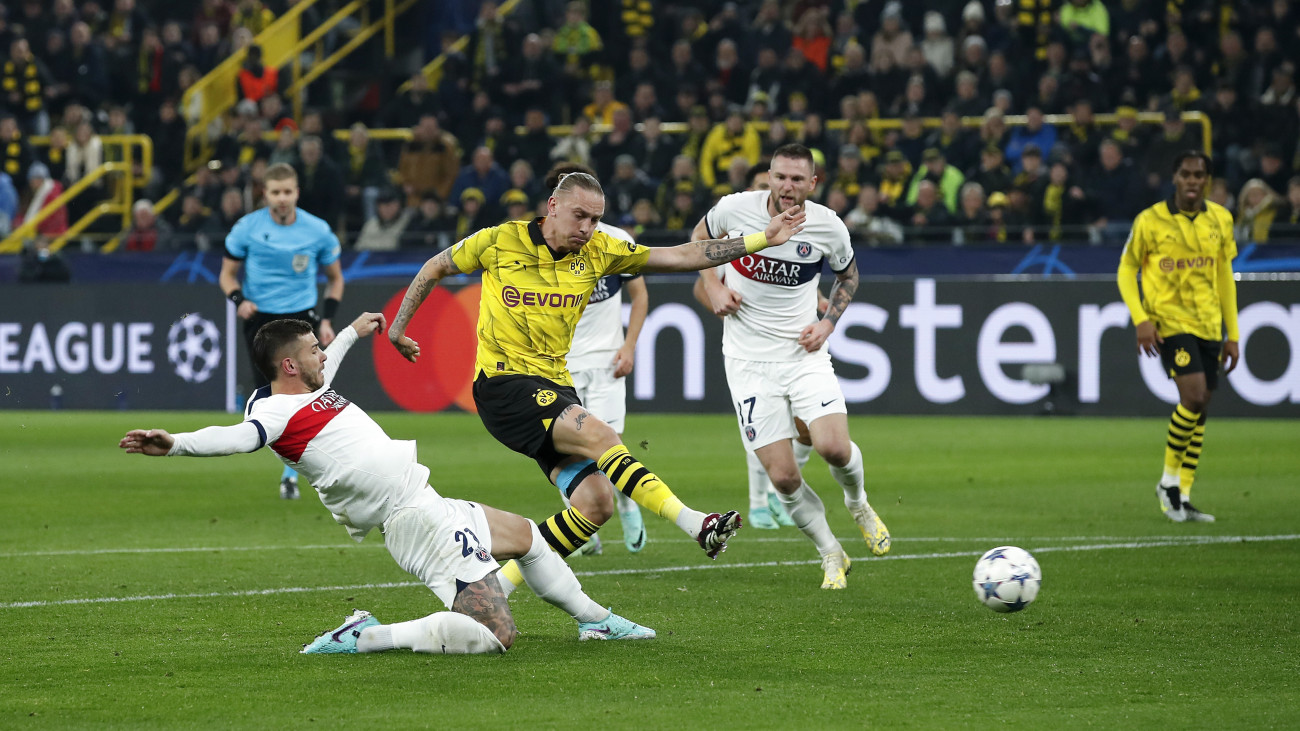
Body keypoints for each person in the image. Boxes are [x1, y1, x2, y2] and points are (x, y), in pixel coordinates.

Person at [119, 314, 654, 655]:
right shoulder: (276, 413)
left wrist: (355, 330)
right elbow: (236, 438)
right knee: (497, 636)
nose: (321, 353)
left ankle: (599, 622)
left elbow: (330, 367)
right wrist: (179, 442)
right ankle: (367, 636)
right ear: (288, 364)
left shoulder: (309, 390)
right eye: (312, 349)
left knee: (528, 538)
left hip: (426, 500)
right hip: (411, 520)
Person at [388, 170, 808, 572]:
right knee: (605, 436)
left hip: (555, 387)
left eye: (596, 219)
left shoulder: (600, 252)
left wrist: (760, 240)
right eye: (580, 216)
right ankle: (697, 524)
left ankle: (498, 583)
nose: (588, 228)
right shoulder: (500, 240)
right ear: (553, 206)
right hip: (503, 384)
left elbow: (682, 255)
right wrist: (399, 327)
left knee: (595, 503)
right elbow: (435, 267)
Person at [692, 143, 891, 591]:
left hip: (803, 355)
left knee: (834, 448)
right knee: (782, 476)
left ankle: (857, 503)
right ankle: (830, 553)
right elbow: (699, 240)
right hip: (746, 362)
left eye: (797, 179)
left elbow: (849, 276)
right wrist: (713, 288)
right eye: (780, 176)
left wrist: (827, 324)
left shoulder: (827, 226)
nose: (787, 186)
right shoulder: (735, 209)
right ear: (769, 175)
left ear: (812, 184)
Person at [1117, 151, 1239, 523]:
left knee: (1200, 410)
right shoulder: (1150, 221)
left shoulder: (1220, 219)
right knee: (1195, 395)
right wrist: (1141, 319)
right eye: (1186, 174)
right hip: (1169, 322)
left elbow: (1224, 277)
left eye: (1199, 175)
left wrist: (1232, 333)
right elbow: (1126, 270)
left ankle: (1183, 496)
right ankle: (1168, 483)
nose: (1192, 180)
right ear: (1175, 177)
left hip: (1208, 323)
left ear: (1208, 180)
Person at [537, 163, 649, 558]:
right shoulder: (539, 249)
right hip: (559, 367)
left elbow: (640, 296)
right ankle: (584, 519)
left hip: (605, 361)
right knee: (570, 451)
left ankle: (628, 502)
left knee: (609, 445)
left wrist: (629, 346)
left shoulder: (615, 241)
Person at [219, 162, 345, 500]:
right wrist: (238, 300)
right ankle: (292, 463)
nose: (282, 198)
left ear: (297, 192)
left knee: (305, 393)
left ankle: (292, 473)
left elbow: (335, 279)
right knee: (270, 398)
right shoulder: (247, 228)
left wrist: (328, 320)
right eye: (275, 192)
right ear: (265, 193)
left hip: (302, 319)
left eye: (288, 191)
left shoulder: (317, 230)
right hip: (260, 319)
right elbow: (227, 275)